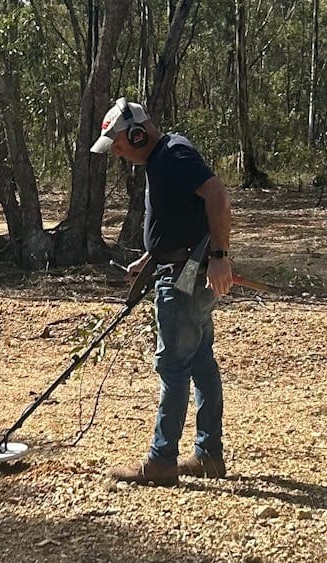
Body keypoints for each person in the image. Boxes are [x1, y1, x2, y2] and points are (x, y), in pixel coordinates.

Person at [90, 98, 233, 486]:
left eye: (119, 144)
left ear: (138, 133)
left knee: (173, 367)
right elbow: (179, 217)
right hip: (180, 269)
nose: (119, 153)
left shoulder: (172, 153)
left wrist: (220, 255)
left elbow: (217, 195)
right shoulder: (163, 158)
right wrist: (151, 257)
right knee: (200, 362)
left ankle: (161, 461)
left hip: (186, 278)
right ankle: (208, 455)